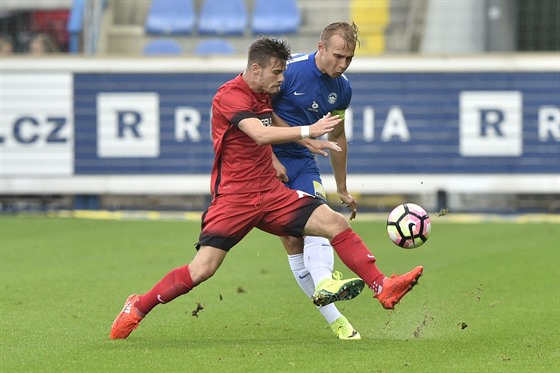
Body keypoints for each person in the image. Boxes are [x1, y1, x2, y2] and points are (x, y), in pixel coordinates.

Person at [110, 36, 423, 340]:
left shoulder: (263, 92)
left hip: (271, 195)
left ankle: (382, 286)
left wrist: (304, 140)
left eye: (284, 72)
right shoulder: (228, 95)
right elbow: (258, 134)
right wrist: (308, 129)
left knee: (333, 222)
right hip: (234, 198)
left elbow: (272, 119)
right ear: (256, 69)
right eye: (277, 72)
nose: (282, 79)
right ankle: (138, 306)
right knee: (202, 269)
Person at [270, 22, 362, 340]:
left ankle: (326, 284)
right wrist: (281, 151)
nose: (343, 64)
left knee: (320, 219)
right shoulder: (288, 70)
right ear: (320, 47)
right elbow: (254, 111)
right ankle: (336, 317)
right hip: (266, 162)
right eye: (338, 56)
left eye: (349, 58)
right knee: (294, 242)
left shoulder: (343, 89)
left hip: (303, 162)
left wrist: (343, 187)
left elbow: (337, 136)